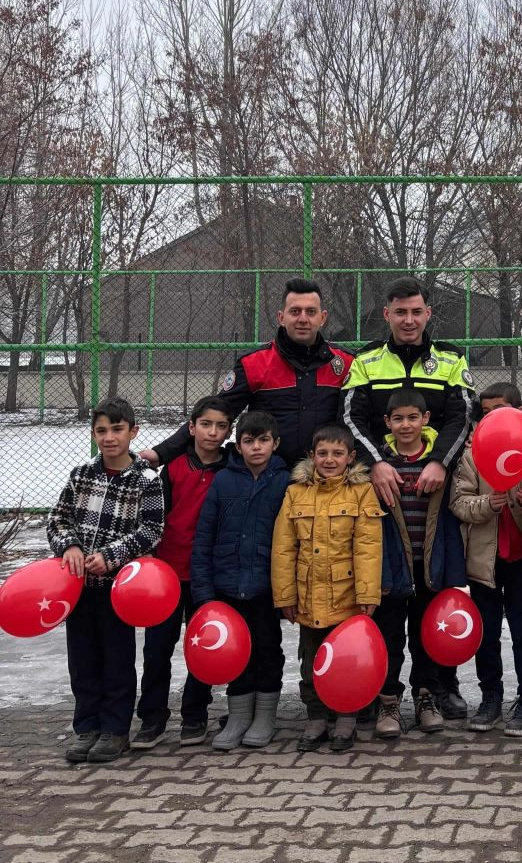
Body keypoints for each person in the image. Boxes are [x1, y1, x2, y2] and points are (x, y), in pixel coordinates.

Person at [344, 276, 474, 720]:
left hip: (435, 499)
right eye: (400, 312)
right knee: (390, 600)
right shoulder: (366, 361)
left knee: (434, 599)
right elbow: (351, 419)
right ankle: (385, 696)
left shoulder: (451, 359)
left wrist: (439, 461)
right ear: (387, 314)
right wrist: (378, 462)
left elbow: (463, 417)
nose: (409, 320)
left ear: (428, 313)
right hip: (383, 497)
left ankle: (436, 690)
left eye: (416, 311)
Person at [47, 397, 165, 765]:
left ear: (133, 432)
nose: (109, 437)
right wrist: (69, 547)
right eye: (101, 430)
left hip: (118, 591)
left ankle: (114, 731)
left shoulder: (146, 481)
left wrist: (111, 556)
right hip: (77, 588)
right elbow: (58, 519)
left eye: (117, 429)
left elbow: (152, 530)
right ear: (94, 433)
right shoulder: (81, 475)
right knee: (82, 660)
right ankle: (87, 728)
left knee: (116, 659)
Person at [143, 279, 353, 472]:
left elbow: (360, 421)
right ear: (281, 317)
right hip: (267, 479)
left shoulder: (346, 363)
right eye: (295, 311)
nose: (303, 319)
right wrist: (161, 453)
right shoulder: (254, 364)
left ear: (323, 318)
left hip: (329, 481)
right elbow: (216, 414)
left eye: (311, 312)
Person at [271, 422, 383, 753]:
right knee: (311, 662)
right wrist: (285, 596)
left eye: (338, 453)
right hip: (307, 598)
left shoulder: (361, 492)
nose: (330, 460)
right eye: (323, 453)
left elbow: (367, 546)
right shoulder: (295, 493)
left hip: (347, 598)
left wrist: (367, 594)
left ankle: (346, 718)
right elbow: (283, 548)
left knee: (346, 662)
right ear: (312, 456)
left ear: (351, 457)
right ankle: (316, 717)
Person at [450, 383, 522, 738]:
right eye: (487, 412)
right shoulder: (472, 454)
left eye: (502, 410)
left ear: (520, 413)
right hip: (483, 561)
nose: (494, 418)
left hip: (520, 557)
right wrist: (486, 505)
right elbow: (459, 503)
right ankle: (491, 697)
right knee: (486, 632)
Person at [133, 394, 232, 751]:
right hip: (167, 574)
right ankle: (152, 718)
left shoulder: (232, 466)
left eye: (221, 426)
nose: (212, 432)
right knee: (157, 650)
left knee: (202, 647)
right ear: (191, 428)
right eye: (205, 424)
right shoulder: (171, 468)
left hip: (209, 575)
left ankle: (195, 715)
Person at [188, 409, 292, 750]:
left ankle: (265, 716)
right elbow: (204, 537)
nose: (257, 448)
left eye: (263, 441)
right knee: (237, 652)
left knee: (266, 649)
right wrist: (204, 593)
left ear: (275, 444)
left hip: (265, 587)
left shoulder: (286, 481)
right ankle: (238, 715)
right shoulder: (224, 481)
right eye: (249, 441)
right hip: (227, 587)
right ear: (239, 444)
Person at [368, 388, 468, 738]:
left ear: (426, 420)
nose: (406, 425)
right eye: (398, 419)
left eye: (413, 418)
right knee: (389, 637)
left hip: (430, 567)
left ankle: (426, 698)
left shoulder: (442, 461)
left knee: (426, 638)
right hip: (390, 569)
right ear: (387, 422)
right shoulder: (377, 464)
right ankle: (389, 701)